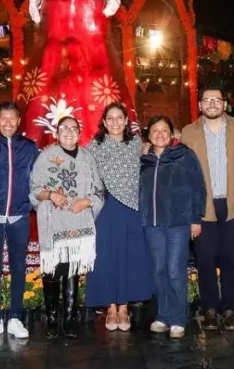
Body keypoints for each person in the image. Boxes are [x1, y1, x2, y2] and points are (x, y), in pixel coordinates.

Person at [180, 86, 234, 331]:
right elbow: (182, 172)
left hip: (232, 202)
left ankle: (229, 308)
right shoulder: (188, 133)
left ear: (224, 104)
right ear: (200, 105)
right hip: (203, 205)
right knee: (205, 258)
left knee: (230, 257)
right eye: (206, 100)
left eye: (216, 99)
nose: (211, 103)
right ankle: (209, 308)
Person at [29, 116, 104, 338]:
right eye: (64, 128)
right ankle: (52, 320)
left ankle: (70, 319)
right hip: (54, 221)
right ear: (57, 133)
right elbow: (34, 189)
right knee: (53, 269)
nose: (69, 132)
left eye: (74, 128)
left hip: (78, 222)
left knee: (72, 271)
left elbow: (99, 190)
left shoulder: (88, 158)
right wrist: (51, 195)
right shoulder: (46, 157)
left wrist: (87, 201)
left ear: (80, 133)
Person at [84, 103, 153, 331]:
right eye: (110, 118)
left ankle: (124, 308)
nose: (115, 122)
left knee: (128, 256)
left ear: (126, 121)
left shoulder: (136, 144)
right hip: (106, 208)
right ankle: (111, 308)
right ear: (104, 122)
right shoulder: (94, 146)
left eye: (119, 118)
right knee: (107, 256)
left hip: (132, 208)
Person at [0, 101, 39, 340]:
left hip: (19, 215)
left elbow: (36, 178)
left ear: (19, 121)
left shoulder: (29, 147)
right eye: (4, 118)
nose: (8, 123)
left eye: (13, 118)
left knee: (18, 267)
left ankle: (15, 318)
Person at [140, 115, 205, 339]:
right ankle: (163, 315)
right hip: (152, 224)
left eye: (164, 130)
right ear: (149, 135)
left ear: (172, 133)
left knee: (175, 270)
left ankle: (178, 317)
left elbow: (198, 186)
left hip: (178, 223)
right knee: (158, 270)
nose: (160, 134)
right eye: (155, 130)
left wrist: (196, 218)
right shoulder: (144, 159)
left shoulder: (184, 155)